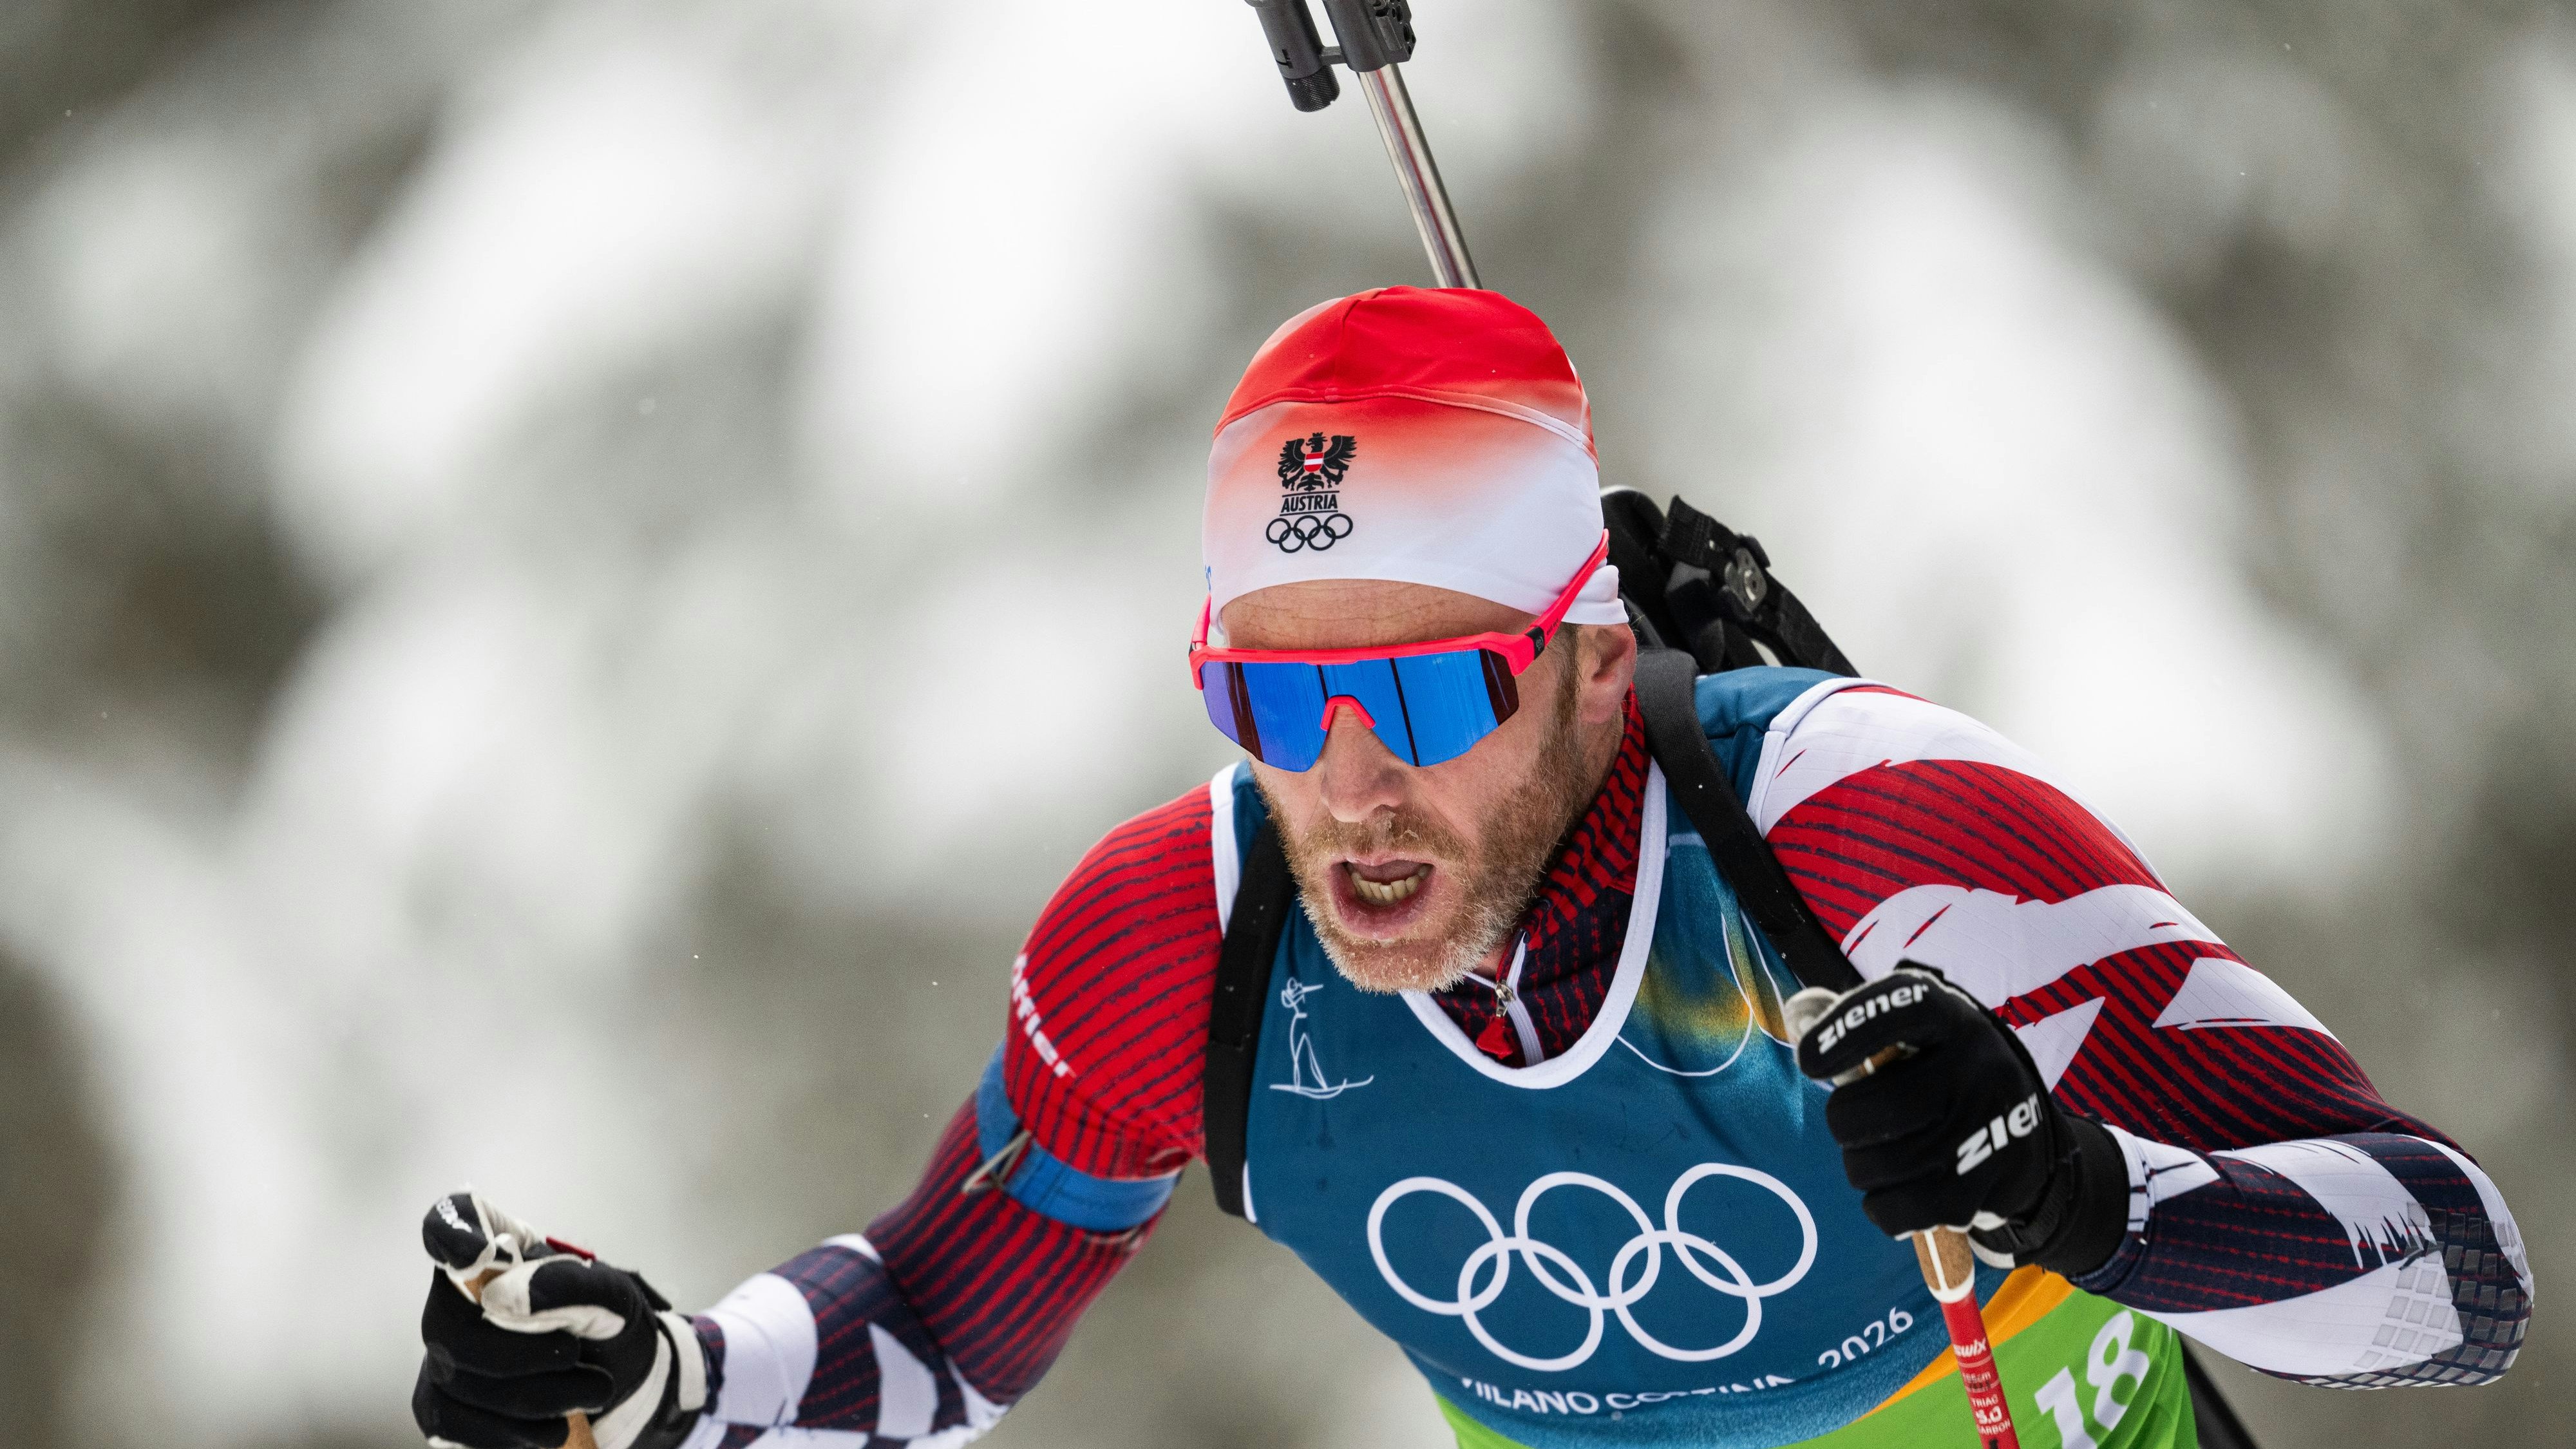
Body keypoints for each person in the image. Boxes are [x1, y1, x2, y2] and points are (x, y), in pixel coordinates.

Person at [410, 288, 2531, 1449]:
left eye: (1428, 700)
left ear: (1596, 656)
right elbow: (941, 1322)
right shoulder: (1186, 940)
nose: (1349, 790)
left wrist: (2086, 1193)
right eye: (1269, 699)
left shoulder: (1871, 837)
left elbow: (2457, 1276)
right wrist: (677, 1384)